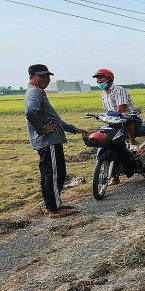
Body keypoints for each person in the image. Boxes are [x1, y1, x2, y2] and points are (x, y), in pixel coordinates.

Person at [24, 64, 88, 219]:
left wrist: (74, 129)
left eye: (48, 76)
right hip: (48, 140)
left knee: (50, 173)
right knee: (54, 174)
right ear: (31, 77)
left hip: (50, 140)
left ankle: (51, 204)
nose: (46, 79)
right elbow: (31, 112)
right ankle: (54, 209)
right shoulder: (34, 93)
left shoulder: (38, 92)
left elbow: (54, 119)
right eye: (42, 76)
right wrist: (42, 130)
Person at [92, 68, 139, 184]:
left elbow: (121, 109)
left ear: (109, 78)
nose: (98, 80)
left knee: (121, 135)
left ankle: (133, 142)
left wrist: (113, 116)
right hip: (114, 122)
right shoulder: (104, 93)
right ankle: (114, 175)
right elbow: (108, 110)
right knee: (106, 142)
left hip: (130, 121)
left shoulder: (118, 90)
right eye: (97, 78)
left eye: (101, 78)